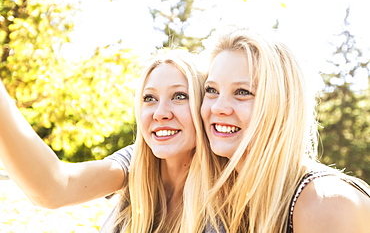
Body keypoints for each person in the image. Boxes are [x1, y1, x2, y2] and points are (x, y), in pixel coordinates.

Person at [185, 27, 370, 233]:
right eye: (212, 90)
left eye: (243, 92)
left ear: (282, 106)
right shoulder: (219, 205)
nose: (218, 107)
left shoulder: (327, 203)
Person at [0, 49, 206, 232]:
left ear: (204, 105)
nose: (160, 113)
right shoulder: (136, 160)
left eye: (179, 96)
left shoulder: (226, 198)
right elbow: (55, 188)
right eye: (149, 98)